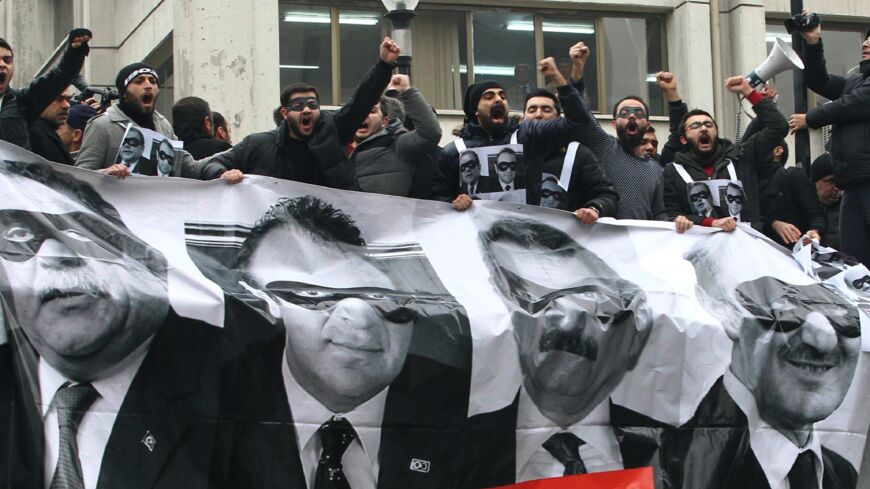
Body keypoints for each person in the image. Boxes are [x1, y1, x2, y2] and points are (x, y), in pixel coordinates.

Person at [0, 158, 230, 489]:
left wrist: (219, 184)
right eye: (20, 237)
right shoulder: (8, 377)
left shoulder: (239, 372)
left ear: (152, 259)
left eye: (85, 231)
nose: (53, 254)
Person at [226, 195, 470, 489]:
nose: (356, 317)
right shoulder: (215, 396)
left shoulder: (471, 404)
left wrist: (464, 216)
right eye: (309, 293)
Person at [461, 218, 661, 488]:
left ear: (637, 332)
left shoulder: (680, 446)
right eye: (533, 300)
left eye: (590, 301)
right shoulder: (451, 444)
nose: (567, 322)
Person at [669, 231, 861, 489]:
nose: (823, 338)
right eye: (785, 308)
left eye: (840, 312)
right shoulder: (667, 463)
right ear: (724, 310)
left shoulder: (842, 474)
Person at [202, 38, 401, 188]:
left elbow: (362, 100)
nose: (307, 110)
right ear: (285, 112)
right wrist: (223, 174)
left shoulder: (335, 129)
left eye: (312, 104)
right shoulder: (258, 144)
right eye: (298, 105)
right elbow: (214, 163)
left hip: (329, 231)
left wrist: (384, 65)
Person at [432, 57, 585, 213]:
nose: (499, 100)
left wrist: (558, 78)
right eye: (489, 96)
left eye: (503, 96)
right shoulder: (453, 152)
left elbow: (577, 122)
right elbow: (437, 199)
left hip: (526, 231)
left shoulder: (529, 136)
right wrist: (454, 202)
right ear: (475, 110)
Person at [662, 72, 788, 233]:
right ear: (683, 139)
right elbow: (673, 214)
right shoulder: (673, 171)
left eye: (708, 124)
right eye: (695, 126)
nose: (703, 128)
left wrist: (747, 91)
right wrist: (710, 222)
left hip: (746, 248)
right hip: (701, 252)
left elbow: (779, 126)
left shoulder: (742, 157)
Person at [789, 22, 870, 266]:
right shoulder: (855, 81)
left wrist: (811, 118)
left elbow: (855, 104)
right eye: (866, 39)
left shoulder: (860, 88)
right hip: (853, 182)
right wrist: (813, 43)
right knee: (854, 261)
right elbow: (819, 81)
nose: (865, 44)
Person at [565, 42, 667, 220]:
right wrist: (577, 70)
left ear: (647, 123)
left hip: (638, 246)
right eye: (625, 113)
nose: (632, 117)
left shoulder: (656, 170)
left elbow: (660, 215)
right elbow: (580, 113)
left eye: (638, 113)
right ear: (614, 124)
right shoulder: (604, 146)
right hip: (600, 243)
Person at [76, 62, 201, 178]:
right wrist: (106, 173)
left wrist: (220, 163)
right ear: (124, 92)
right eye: (139, 81)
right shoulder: (101, 125)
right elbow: (81, 175)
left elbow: (189, 168)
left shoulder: (164, 126)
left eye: (153, 81)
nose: (148, 86)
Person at [522, 88, 618, 220]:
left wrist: (595, 208)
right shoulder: (511, 152)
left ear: (558, 118)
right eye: (532, 110)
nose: (538, 115)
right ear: (523, 118)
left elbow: (607, 196)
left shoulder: (579, 154)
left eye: (546, 109)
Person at [348, 74, 442, 196]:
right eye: (358, 111)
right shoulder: (338, 147)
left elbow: (431, 133)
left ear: (385, 121)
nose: (363, 115)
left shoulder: (397, 144)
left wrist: (407, 92)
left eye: (371, 111)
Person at [0, 29, 91, 151]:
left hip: (16, 169)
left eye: (7, 60)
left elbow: (58, 77)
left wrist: (74, 52)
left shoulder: (20, 102)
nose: (2, 64)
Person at [761, 142, 827, 247]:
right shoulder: (747, 182)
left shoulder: (792, 176)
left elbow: (815, 213)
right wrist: (773, 224)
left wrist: (814, 231)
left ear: (778, 151)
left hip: (792, 253)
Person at [28, 86, 74, 165]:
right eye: (59, 99)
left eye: (68, 99)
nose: (66, 105)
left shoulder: (46, 130)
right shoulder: (36, 133)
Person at [812, 153, 842, 249]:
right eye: (831, 181)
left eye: (840, 181)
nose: (837, 187)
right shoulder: (802, 210)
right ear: (815, 181)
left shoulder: (850, 212)